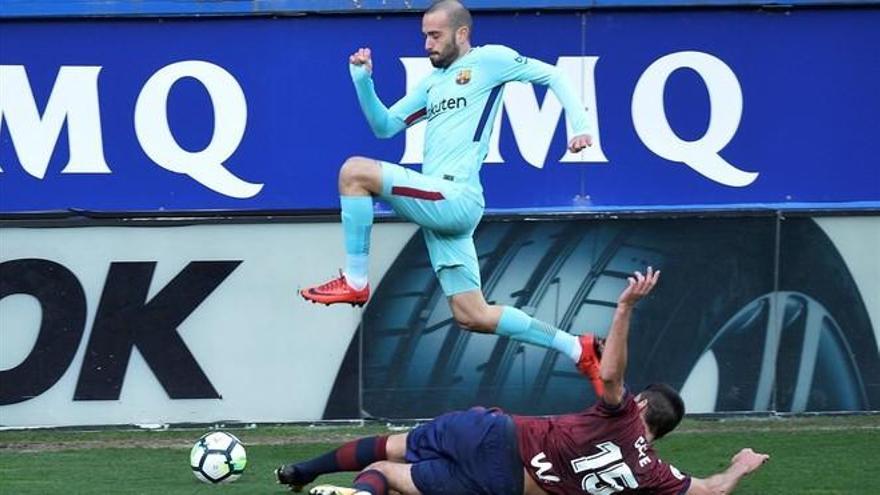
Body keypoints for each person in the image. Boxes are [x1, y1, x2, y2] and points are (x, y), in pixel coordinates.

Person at [299, 0, 604, 390]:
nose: (427, 44)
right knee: (471, 314)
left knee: (354, 172)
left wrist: (579, 127)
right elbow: (385, 127)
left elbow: (555, 77)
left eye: (435, 35)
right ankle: (577, 348)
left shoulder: (491, 59)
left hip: (455, 196)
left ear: (461, 34)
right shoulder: (433, 83)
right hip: (443, 206)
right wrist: (362, 81)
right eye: (425, 35)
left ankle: (356, 279)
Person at [279, 267, 770, 494]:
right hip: (502, 484)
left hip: (493, 432)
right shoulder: (653, 477)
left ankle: (304, 470)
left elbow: (614, 373)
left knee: (390, 449)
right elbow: (708, 491)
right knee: (391, 479)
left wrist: (623, 309)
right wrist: (741, 466)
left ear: (641, 406)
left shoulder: (622, 419)